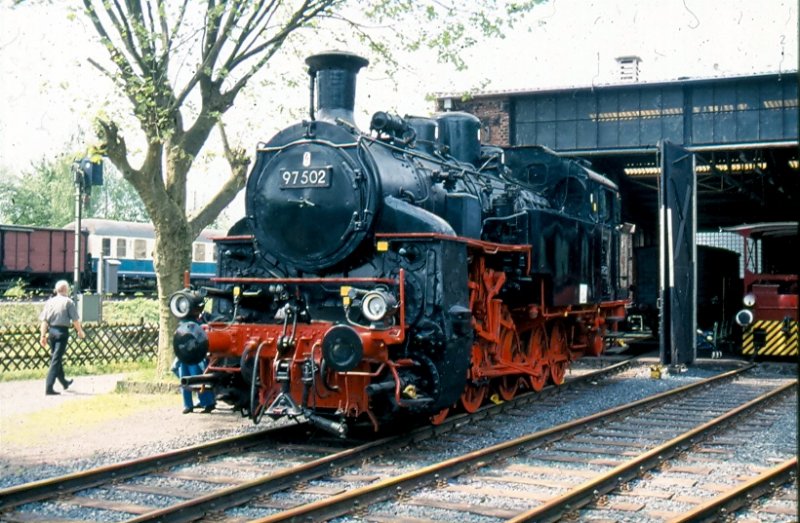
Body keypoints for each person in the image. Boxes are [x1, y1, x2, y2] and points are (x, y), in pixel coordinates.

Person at [38, 280, 85, 395]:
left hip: (51, 332)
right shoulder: (68, 302)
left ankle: (64, 382)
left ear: (57, 290)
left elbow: (44, 321)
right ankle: (49, 387)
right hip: (62, 332)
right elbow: (75, 319)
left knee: (55, 357)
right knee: (56, 359)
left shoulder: (50, 302)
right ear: (66, 290)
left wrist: (42, 336)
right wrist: (80, 331)